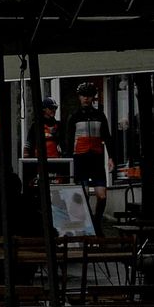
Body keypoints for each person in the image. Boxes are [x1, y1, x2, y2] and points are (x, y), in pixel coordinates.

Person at [63, 82, 114, 228]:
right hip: (80, 157)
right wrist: (68, 160)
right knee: (83, 195)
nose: (86, 98)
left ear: (93, 97)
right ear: (79, 97)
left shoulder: (99, 115)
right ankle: (87, 225)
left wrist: (111, 157)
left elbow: (107, 136)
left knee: (102, 196)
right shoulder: (74, 116)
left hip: (96, 158)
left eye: (89, 95)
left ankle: (96, 222)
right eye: (83, 95)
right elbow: (68, 140)